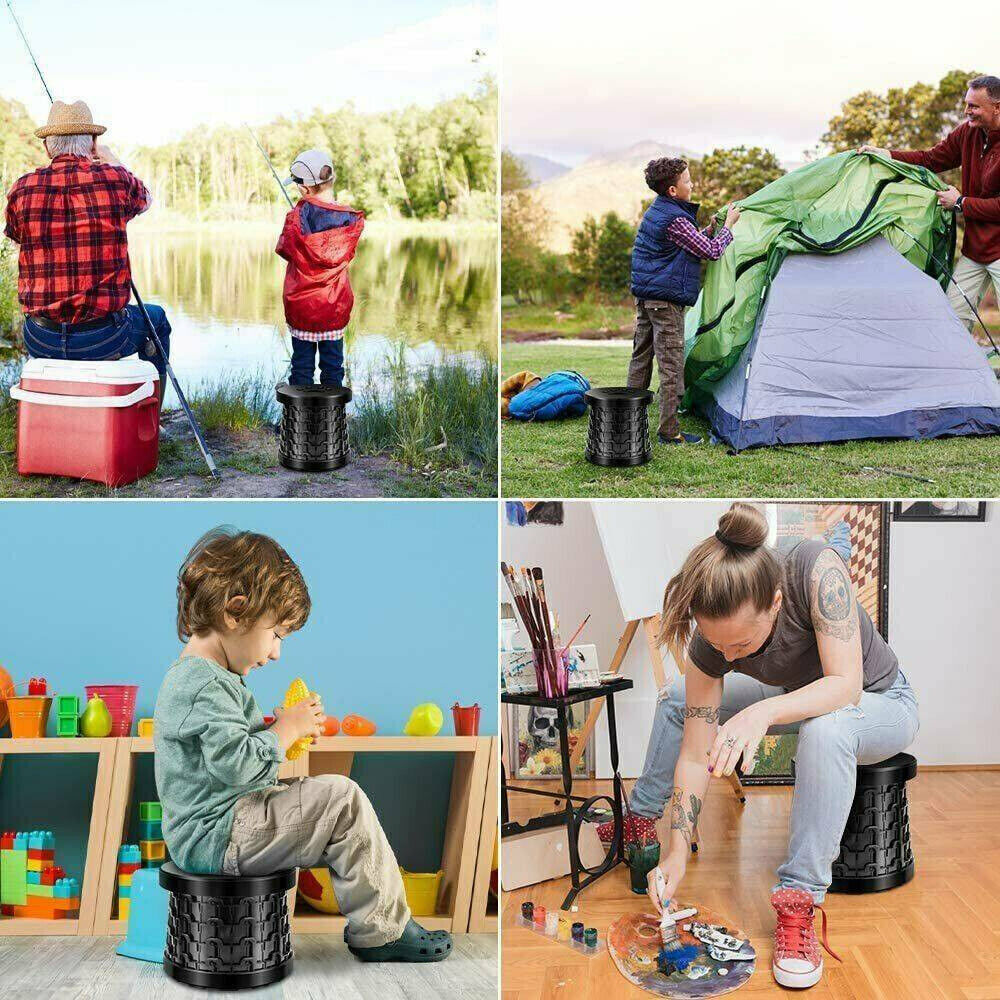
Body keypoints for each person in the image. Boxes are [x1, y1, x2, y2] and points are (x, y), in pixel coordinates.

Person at [597, 502, 918, 990]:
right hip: (797, 697)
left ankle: (799, 901)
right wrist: (678, 850)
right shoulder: (712, 640)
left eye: (741, 648)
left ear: (773, 601)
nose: (727, 657)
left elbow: (845, 686)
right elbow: (693, 753)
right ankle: (643, 824)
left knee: (826, 728)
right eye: (719, 647)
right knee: (677, 697)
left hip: (879, 701)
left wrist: (759, 714)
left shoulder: (815, 570)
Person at [153, 527, 452, 963]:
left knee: (327, 800)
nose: (276, 654)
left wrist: (278, 728)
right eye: (277, 635)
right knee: (342, 800)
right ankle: (382, 930)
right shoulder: (203, 683)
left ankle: (382, 920)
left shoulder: (208, 678)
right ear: (236, 613)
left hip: (219, 828)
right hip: (219, 834)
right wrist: (284, 731)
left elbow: (225, 755)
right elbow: (236, 766)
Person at [4, 100, 172, 397]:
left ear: (47, 147)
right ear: (93, 143)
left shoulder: (22, 189)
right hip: (104, 338)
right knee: (157, 319)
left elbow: (17, 236)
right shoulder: (115, 179)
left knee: (147, 317)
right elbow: (145, 198)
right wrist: (112, 159)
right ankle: (151, 415)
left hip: (41, 336)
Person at [860, 75, 1000, 331]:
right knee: (954, 319)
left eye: (974, 106)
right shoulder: (967, 133)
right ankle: (959, 371)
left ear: (997, 107)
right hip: (976, 249)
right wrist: (887, 155)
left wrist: (960, 202)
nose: (967, 111)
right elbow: (930, 159)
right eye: (966, 104)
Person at [628, 157, 740, 445]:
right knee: (671, 366)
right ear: (673, 191)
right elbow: (712, 252)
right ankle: (669, 431)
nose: (692, 184)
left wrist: (709, 229)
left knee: (641, 359)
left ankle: (628, 419)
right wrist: (728, 226)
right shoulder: (675, 218)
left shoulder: (660, 211)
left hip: (646, 299)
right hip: (664, 304)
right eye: (688, 181)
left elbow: (684, 246)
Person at [276, 149, 364, 387]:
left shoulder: (295, 217)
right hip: (334, 307)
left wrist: (298, 213)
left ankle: (300, 420)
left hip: (302, 308)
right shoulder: (349, 219)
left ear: (305, 189)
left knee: (302, 367)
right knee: (333, 367)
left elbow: (285, 249)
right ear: (331, 180)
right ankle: (332, 418)